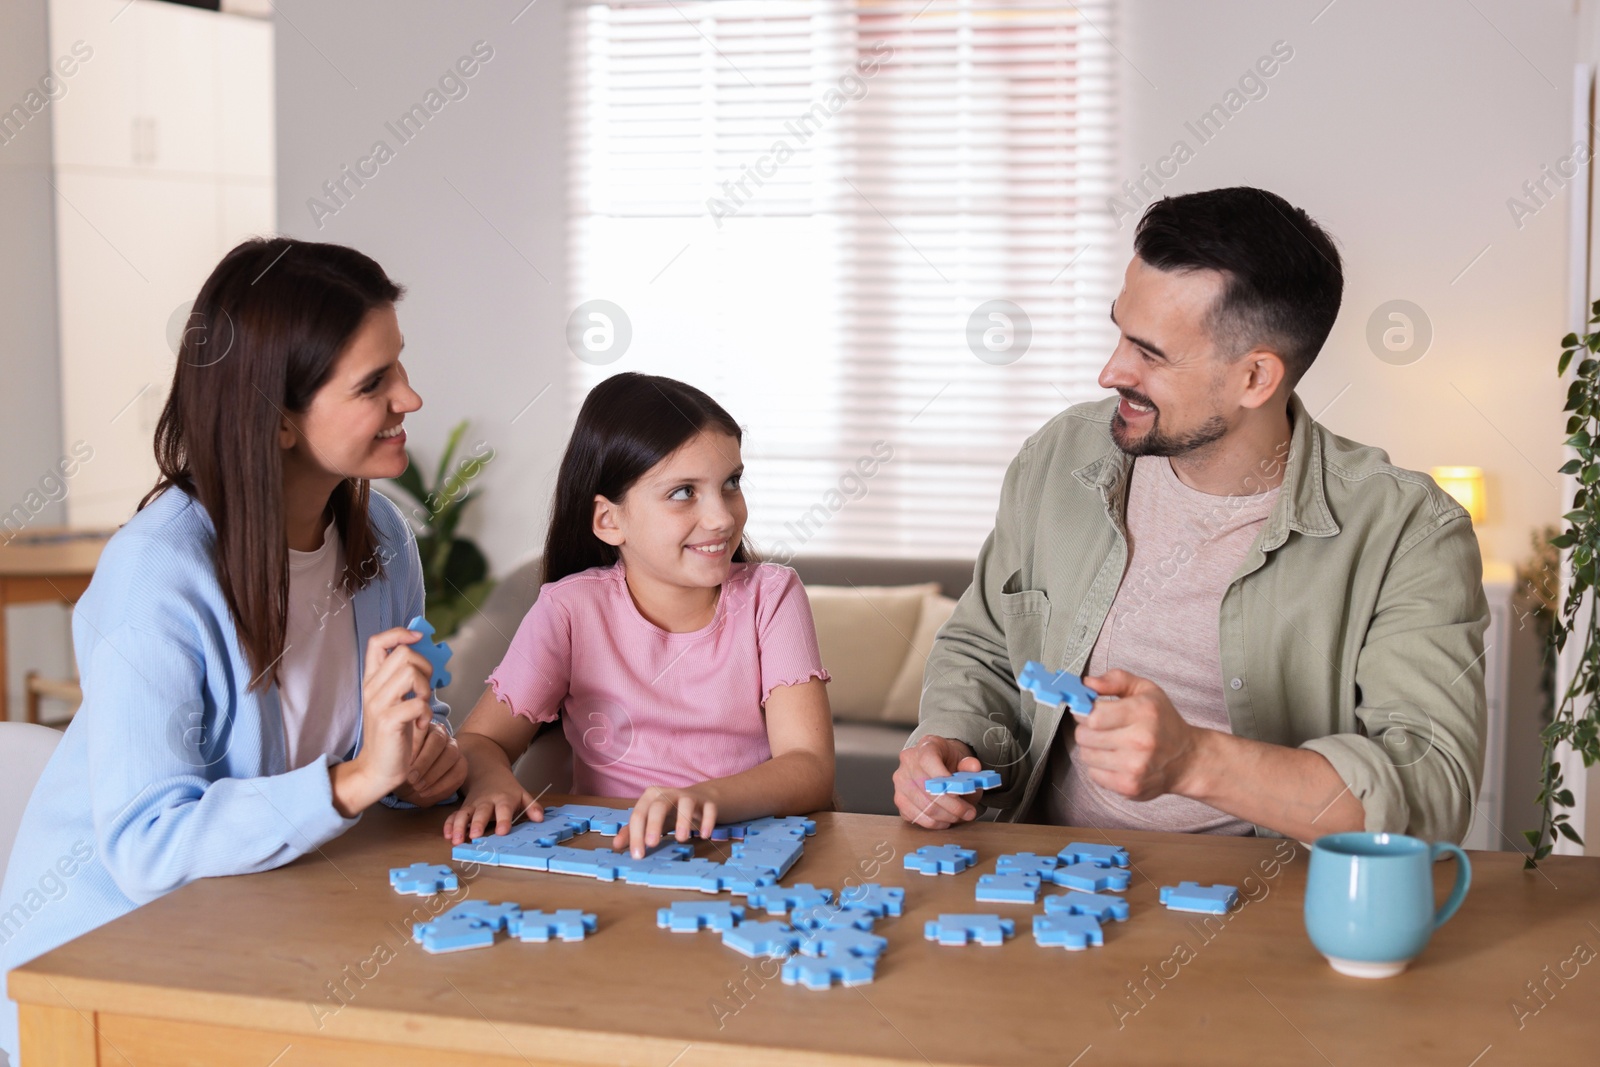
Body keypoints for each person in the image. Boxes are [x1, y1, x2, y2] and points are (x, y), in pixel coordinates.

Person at [894, 187, 1489, 844]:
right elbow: (983, 648)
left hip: (1261, 909)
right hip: (1045, 881)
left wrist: (1197, 761)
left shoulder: (1409, 532)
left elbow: (1431, 789)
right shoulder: (1058, 457)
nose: (1109, 370)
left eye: (1149, 353)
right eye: (1118, 329)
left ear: (1256, 379)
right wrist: (949, 742)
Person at [0, 238, 465, 1063]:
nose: (411, 396)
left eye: (401, 366)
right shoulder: (159, 572)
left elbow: (390, 744)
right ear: (279, 420)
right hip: (106, 969)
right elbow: (149, 846)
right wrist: (357, 780)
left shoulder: (382, 539)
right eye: (373, 384)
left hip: (268, 924)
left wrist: (424, 761)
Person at [445, 373, 835, 858]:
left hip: (754, 853)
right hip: (620, 857)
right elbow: (481, 739)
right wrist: (490, 781)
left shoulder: (772, 597)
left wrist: (699, 800)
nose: (723, 517)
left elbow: (809, 767)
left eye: (731, 483)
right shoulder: (569, 610)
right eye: (683, 492)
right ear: (610, 521)